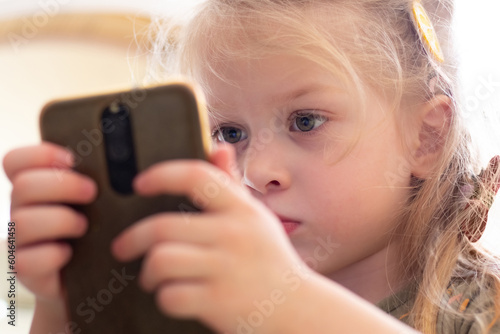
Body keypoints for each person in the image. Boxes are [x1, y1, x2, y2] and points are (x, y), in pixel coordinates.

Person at [3, 0, 500, 333]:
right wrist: (60, 305)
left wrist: (289, 301)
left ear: (427, 137)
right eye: (230, 133)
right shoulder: (192, 297)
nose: (255, 170)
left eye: (305, 121)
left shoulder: (479, 308)